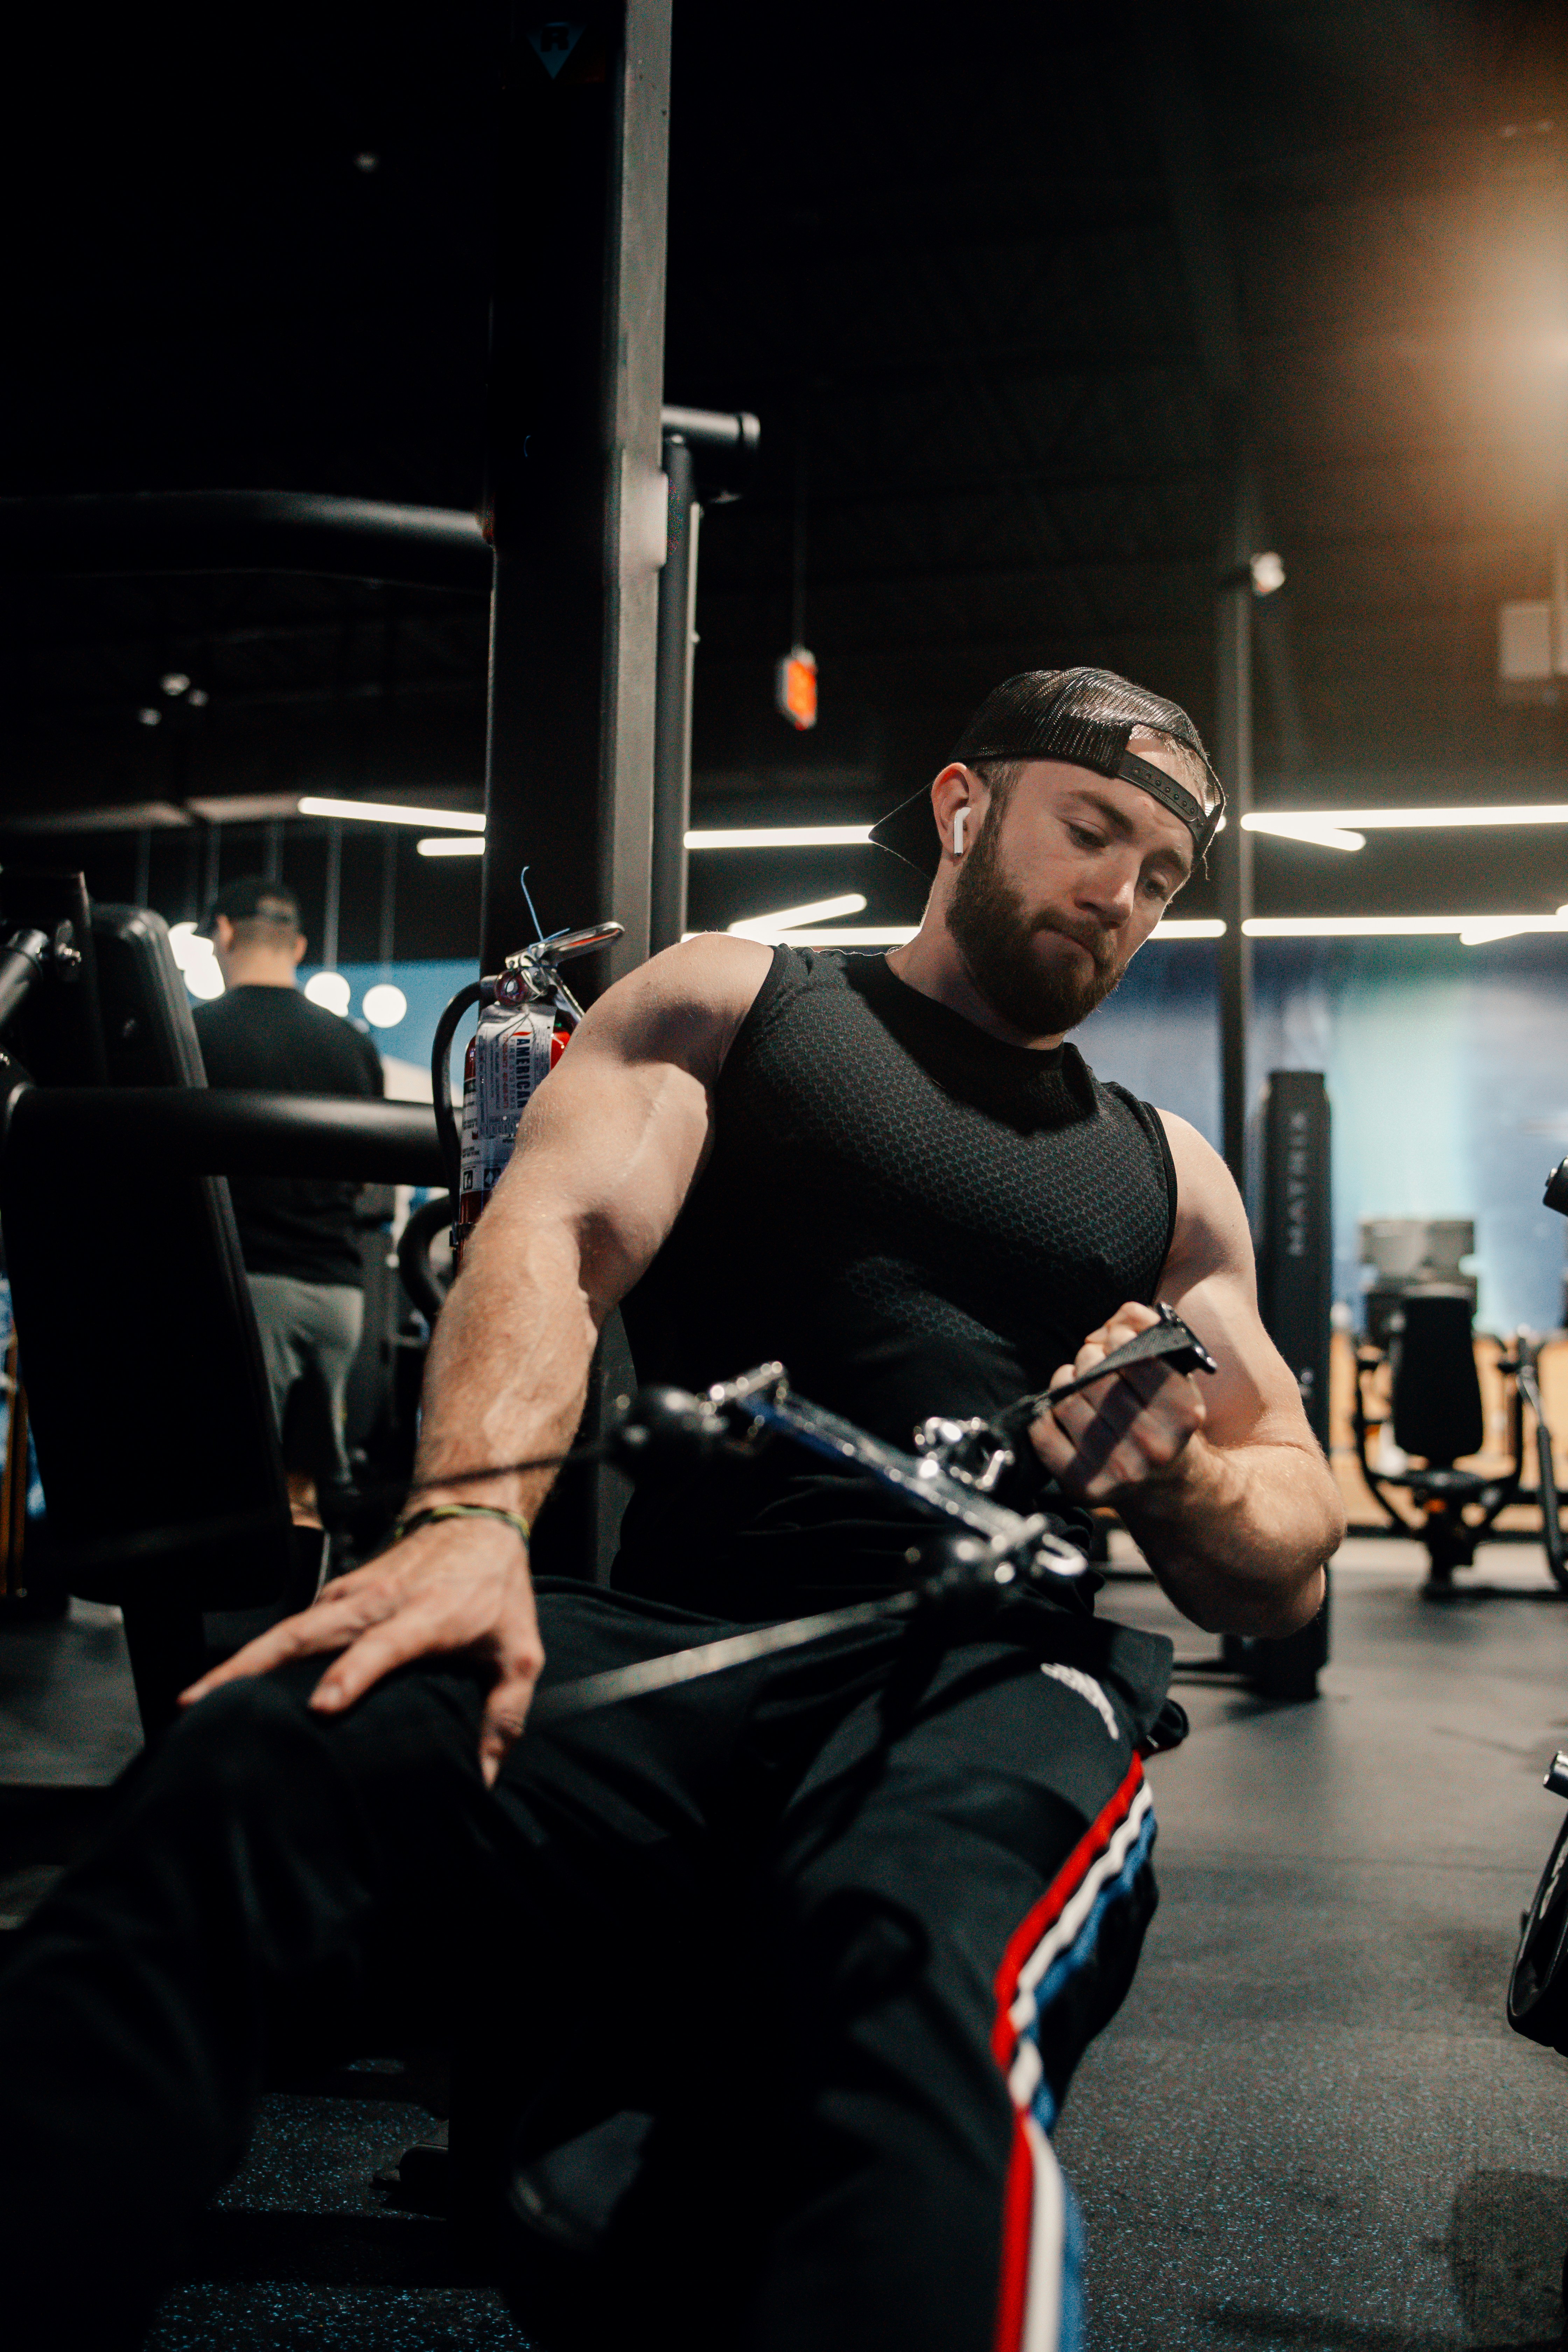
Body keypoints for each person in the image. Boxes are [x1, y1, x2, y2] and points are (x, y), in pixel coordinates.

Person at [0, 670, 1344, 2351]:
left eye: (1161, 874)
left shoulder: (1168, 1171)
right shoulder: (740, 1001)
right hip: (684, 1638)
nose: (1122, 894)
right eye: (1093, 834)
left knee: (914, 1967)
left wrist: (1189, 1470)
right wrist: (468, 1530)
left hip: (992, 1675)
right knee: (260, 1755)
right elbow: (549, 1238)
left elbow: (1290, 1543)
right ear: (962, 807)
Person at [192, 876, 385, 1519]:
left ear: (223, 932)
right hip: (339, 1295)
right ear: (299, 945)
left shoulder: (194, 1034)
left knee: (232, 1490)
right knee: (303, 1494)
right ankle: (305, 1612)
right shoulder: (352, 1043)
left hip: (247, 1287)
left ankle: (240, 1619)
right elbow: (364, 1176)